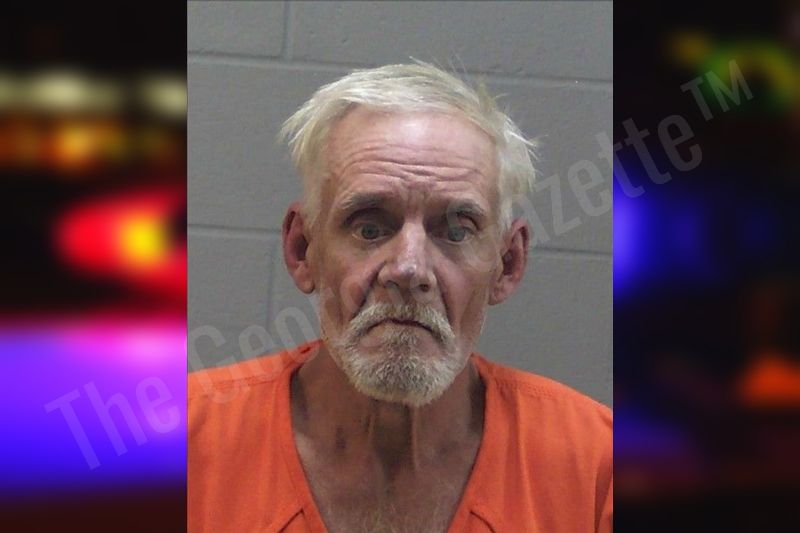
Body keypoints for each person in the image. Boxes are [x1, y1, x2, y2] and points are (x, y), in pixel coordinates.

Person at [188, 61, 612, 533]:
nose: (409, 269)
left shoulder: (598, 468)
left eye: (456, 231)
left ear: (507, 263)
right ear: (303, 250)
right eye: (369, 228)